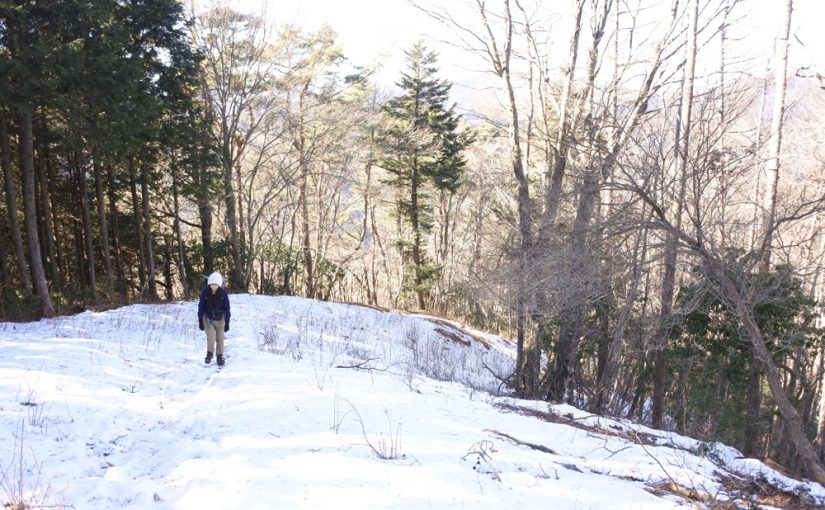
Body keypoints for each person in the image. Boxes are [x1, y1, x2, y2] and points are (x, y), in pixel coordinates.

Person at [198, 272, 231, 366]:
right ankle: (209, 354)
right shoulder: (205, 293)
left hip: (220, 319)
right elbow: (200, 306)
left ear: (219, 284)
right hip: (208, 318)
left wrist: (228, 321)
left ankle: (219, 356)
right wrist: (200, 320)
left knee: (220, 337)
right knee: (211, 337)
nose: (214, 286)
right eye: (212, 284)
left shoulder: (223, 293)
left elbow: (227, 307)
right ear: (209, 284)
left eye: (216, 284)